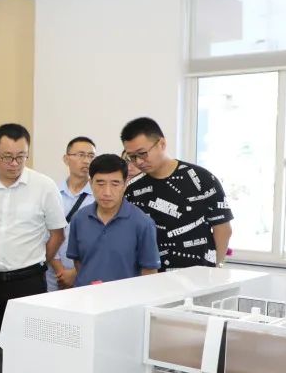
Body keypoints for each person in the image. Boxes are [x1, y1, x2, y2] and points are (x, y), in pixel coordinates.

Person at [0, 123, 66, 354]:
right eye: (7, 157)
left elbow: (57, 234)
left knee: (29, 349)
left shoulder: (44, 186)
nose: (14, 163)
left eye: (21, 156)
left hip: (28, 281)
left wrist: (40, 260)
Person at [121, 117, 234, 270]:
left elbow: (223, 229)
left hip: (199, 276)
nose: (138, 162)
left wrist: (216, 267)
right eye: (132, 157)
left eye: (142, 153)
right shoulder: (133, 189)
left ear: (162, 144)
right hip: (151, 278)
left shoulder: (202, 179)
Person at [67, 154, 161, 286]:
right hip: (86, 296)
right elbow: (78, 262)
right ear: (90, 183)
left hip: (126, 297)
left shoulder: (143, 223)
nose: (107, 192)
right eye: (100, 183)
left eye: (115, 184)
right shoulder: (79, 218)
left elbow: (149, 272)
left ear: (125, 184)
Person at [46, 136, 96, 291]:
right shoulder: (52, 192)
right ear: (66, 159)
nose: (86, 161)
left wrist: (75, 272)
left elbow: (100, 239)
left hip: (87, 273)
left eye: (91, 156)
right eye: (81, 155)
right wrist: (60, 270)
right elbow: (45, 234)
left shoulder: (100, 196)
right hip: (53, 274)